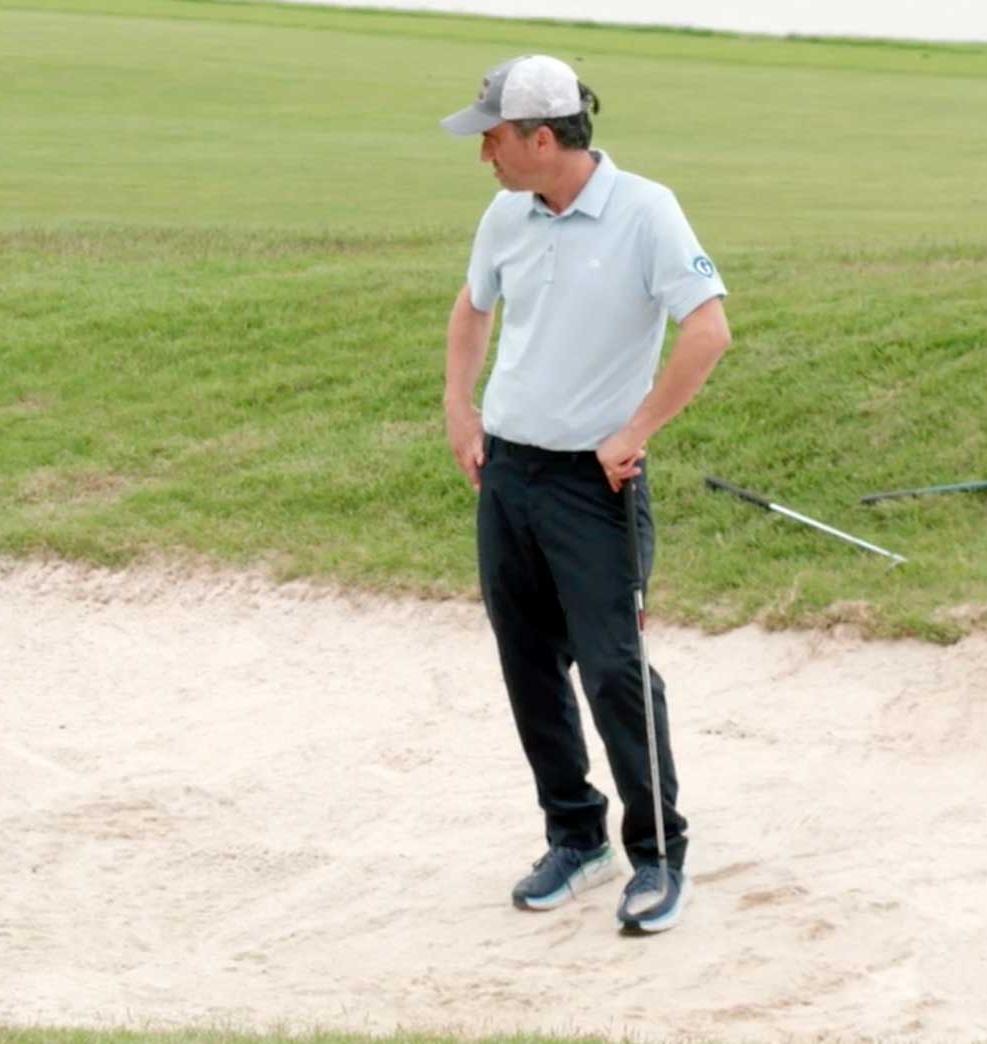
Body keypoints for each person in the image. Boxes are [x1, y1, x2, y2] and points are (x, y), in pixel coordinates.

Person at [438, 56, 732, 933]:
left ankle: (657, 855)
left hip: (594, 487)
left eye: (492, 136)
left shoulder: (646, 211)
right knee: (527, 664)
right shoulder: (505, 213)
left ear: (541, 138)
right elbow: (472, 308)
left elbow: (709, 330)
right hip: (509, 476)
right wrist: (460, 405)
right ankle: (576, 835)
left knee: (614, 673)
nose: (482, 151)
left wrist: (634, 432)